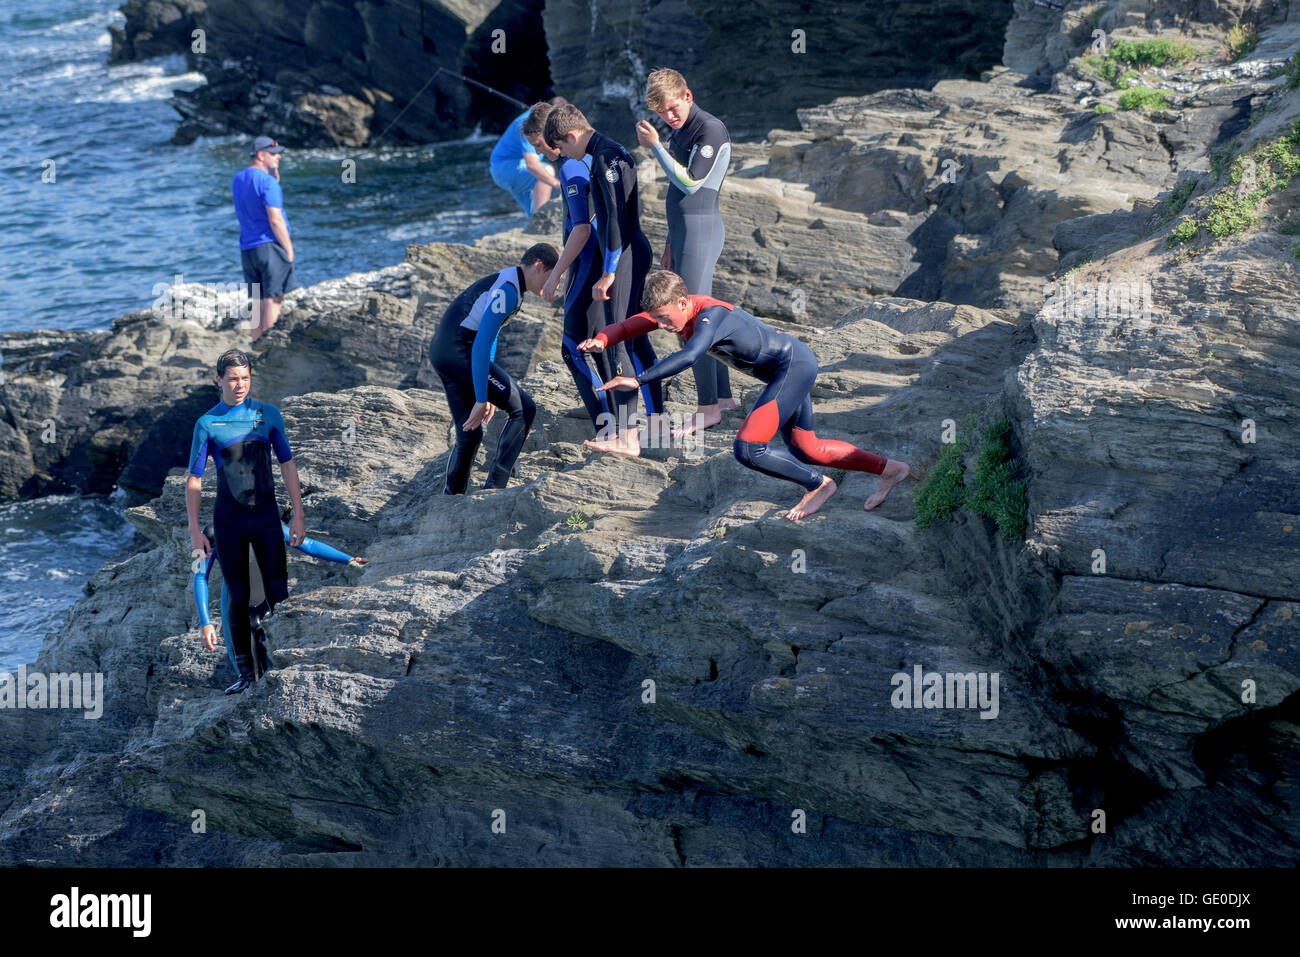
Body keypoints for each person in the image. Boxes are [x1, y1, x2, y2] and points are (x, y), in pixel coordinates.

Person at [580, 271, 911, 520]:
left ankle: (819, 485)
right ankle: (890, 469)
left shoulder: (710, 316)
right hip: (786, 370)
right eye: (659, 321)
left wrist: (638, 380)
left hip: (792, 366)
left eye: (666, 319)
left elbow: (690, 355)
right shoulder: (678, 310)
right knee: (807, 448)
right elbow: (627, 327)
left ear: (683, 303)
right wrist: (604, 340)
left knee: (749, 449)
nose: (664, 326)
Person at [544, 103, 664, 456]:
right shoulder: (610, 149)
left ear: (571, 135)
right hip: (630, 250)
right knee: (635, 341)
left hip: (624, 253)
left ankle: (627, 436)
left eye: (563, 148)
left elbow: (615, 220)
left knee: (619, 341)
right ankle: (656, 426)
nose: (564, 156)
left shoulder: (603, 157)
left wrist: (609, 271)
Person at [187, 349, 306, 694]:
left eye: (245, 378)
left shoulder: (267, 415)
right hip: (229, 521)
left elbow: (287, 464)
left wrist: (298, 513)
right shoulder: (207, 423)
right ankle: (246, 674)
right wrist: (195, 530)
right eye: (233, 378)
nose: (240, 385)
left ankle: (280, 661)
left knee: (278, 590)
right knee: (238, 597)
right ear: (219, 379)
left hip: (267, 516)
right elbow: (194, 480)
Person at [637, 69, 739, 435]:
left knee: (692, 322)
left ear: (688, 96)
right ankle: (724, 398)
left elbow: (690, 183)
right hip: (682, 236)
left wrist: (656, 147)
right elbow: (674, 195)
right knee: (702, 316)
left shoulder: (709, 130)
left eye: (673, 108)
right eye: (663, 113)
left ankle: (708, 407)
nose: (669, 117)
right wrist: (668, 243)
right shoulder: (681, 131)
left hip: (701, 231)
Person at [429, 243, 558, 493]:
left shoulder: (509, 280)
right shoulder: (508, 290)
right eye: (553, 276)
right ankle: (494, 489)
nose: (554, 283)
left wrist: (484, 389)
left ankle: (451, 496)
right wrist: (481, 396)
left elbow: (490, 334)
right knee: (524, 408)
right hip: (459, 352)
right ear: (539, 267)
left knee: (470, 431)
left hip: (443, 352)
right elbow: (480, 345)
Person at [522, 101, 612, 435]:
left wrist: (557, 273)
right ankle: (617, 416)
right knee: (601, 342)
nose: (541, 151)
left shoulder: (571, 168)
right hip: (601, 260)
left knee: (573, 348)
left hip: (587, 264)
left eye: (539, 144)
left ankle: (607, 425)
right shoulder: (590, 157)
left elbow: (581, 229)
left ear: (552, 135)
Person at [194, 522, 367, 680]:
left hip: (267, 595)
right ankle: (246, 686)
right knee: (241, 656)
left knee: (270, 649)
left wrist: (349, 559)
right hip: (235, 600)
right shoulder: (212, 532)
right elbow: (200, 576)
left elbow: (308, 544)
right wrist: (205, 622)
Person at [232, 135, 298, 342]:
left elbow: (250, 201)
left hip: (248, 249)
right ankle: (269, 347)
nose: (278, 158)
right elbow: (275, 219)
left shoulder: (238, 178)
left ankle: (256, 344)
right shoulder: (268, 183)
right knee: (274, 298)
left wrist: (273, 175)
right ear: (261, 155)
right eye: (273, 154)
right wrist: (288, 248)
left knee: (258, 300)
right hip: (269, 246)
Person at [490, 103, 560, 217]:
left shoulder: (535, 119)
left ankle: (536, 221)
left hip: (503, 170)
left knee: (532, 212)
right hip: (507, 169)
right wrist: (558, 185)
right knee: (546, 171)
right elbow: (532, 165)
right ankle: (541, 219)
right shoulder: (532, 126)